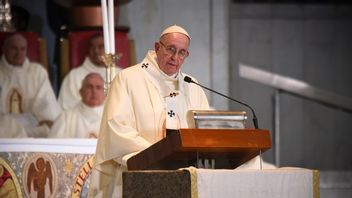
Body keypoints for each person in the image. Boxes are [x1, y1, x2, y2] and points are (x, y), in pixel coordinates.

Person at [89, 25, 210, 197]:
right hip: (136, 176)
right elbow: (116, 129)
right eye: (171, 49)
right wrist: (159, 154)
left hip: (183, 179)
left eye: (182, 52)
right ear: (157, 47)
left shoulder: (193, 87)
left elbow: (204, 132)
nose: (175, 57)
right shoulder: (128, 79)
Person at [0, 33, 61, 137]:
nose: (19, 53)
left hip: (32, 130)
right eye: (14, 49)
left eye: (23, 49)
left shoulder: (37, 72)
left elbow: (47, 110)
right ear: (4, 49)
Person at [58, 33, 122, 111]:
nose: (96, 51)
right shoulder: (74, 76)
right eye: (92, 47)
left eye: (101, 47)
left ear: (109, 49)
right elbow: (65, 107)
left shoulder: (121, 75)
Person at [49, 73, 105, 138]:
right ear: (81, 92)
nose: (94, 91)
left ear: (105, 93)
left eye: (98, 87)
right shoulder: (66, 118)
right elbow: (54, 144)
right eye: (89, 87)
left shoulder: (113, 117)